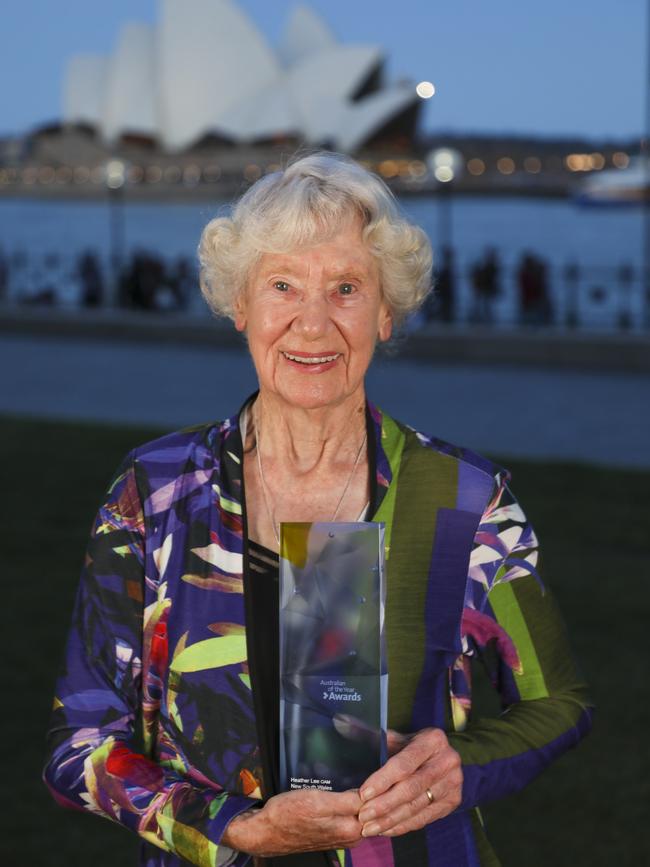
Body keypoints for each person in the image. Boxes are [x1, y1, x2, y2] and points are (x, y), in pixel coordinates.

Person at [43, 152, 593, 867]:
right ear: (239, 303)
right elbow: (80, 744)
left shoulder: (465, 497)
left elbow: (560, 703)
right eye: (282, 285)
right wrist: (235, 828)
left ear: (385, 312)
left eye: (345, 287)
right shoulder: (156, 492)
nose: (312, 322)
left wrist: (464, 762)